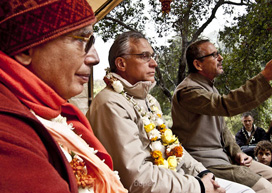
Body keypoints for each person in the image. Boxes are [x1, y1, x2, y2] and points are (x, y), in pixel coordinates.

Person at [0, 0, 127, 193]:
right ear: (26, 50)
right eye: (81, 39)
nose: (95, 58)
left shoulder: (50, 110)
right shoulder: (7, 132)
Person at [87, 31, 255, 193]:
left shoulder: (150, 101)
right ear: (121, 64)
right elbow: (137, 178)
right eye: (144, 56)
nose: (154, 63)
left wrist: (203, 174)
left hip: (176, 180)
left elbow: (172, 148)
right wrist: (200, 187)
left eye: (153, 56)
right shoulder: (110, 103)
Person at [171, 39, 272, 193]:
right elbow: (225, 105)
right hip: (205, 163)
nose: (220, 58)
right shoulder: (188, 91)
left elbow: (223, 129)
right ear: (198, 64)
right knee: (263, 186)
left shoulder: (208, 87)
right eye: (214, 55)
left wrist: (237, 152)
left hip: (226, 158)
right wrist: (265, 77)